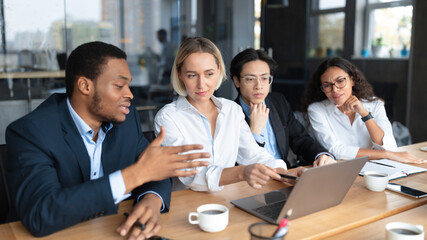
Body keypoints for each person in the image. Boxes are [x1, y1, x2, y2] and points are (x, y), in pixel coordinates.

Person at [5, 41, 210, 238]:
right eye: (119, 85)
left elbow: (153, 168)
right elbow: (41, 215)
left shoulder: (126, 119)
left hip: (113, 231)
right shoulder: (31, 132)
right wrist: (134, 176)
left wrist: (151, 201)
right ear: (85, 86)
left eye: (128, 86)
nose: (129, 94)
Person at [154, 37, 303, 193]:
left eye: (209, 74)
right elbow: (192, 175)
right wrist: (241, 172)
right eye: (192, 75)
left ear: (218, 71)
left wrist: (285, 175)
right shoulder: (168, 117)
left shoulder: (231, 110)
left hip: (228, 199)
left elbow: (253, 154)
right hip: (187, 203)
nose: (201, 84)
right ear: (180, 74)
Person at [301, 57, 426, 163]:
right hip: (341, 171)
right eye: (327, 85)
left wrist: (365, 114)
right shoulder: (317, 110)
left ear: (352, 80)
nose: (335, 90)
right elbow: (335, 151)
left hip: (376, 170)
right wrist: (387, 155)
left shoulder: (375, 105)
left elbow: (389, 147)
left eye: (340, 81)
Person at [230, 48, 336, 168]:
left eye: (264, 78)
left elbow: (300, 139)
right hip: (253, 182)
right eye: (250, 79)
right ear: (237, 81)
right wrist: (255, 132)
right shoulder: (229, 114)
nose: (259, 86)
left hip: (285, 175)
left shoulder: (278, 102)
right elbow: (236, 164)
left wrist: (321, 155)